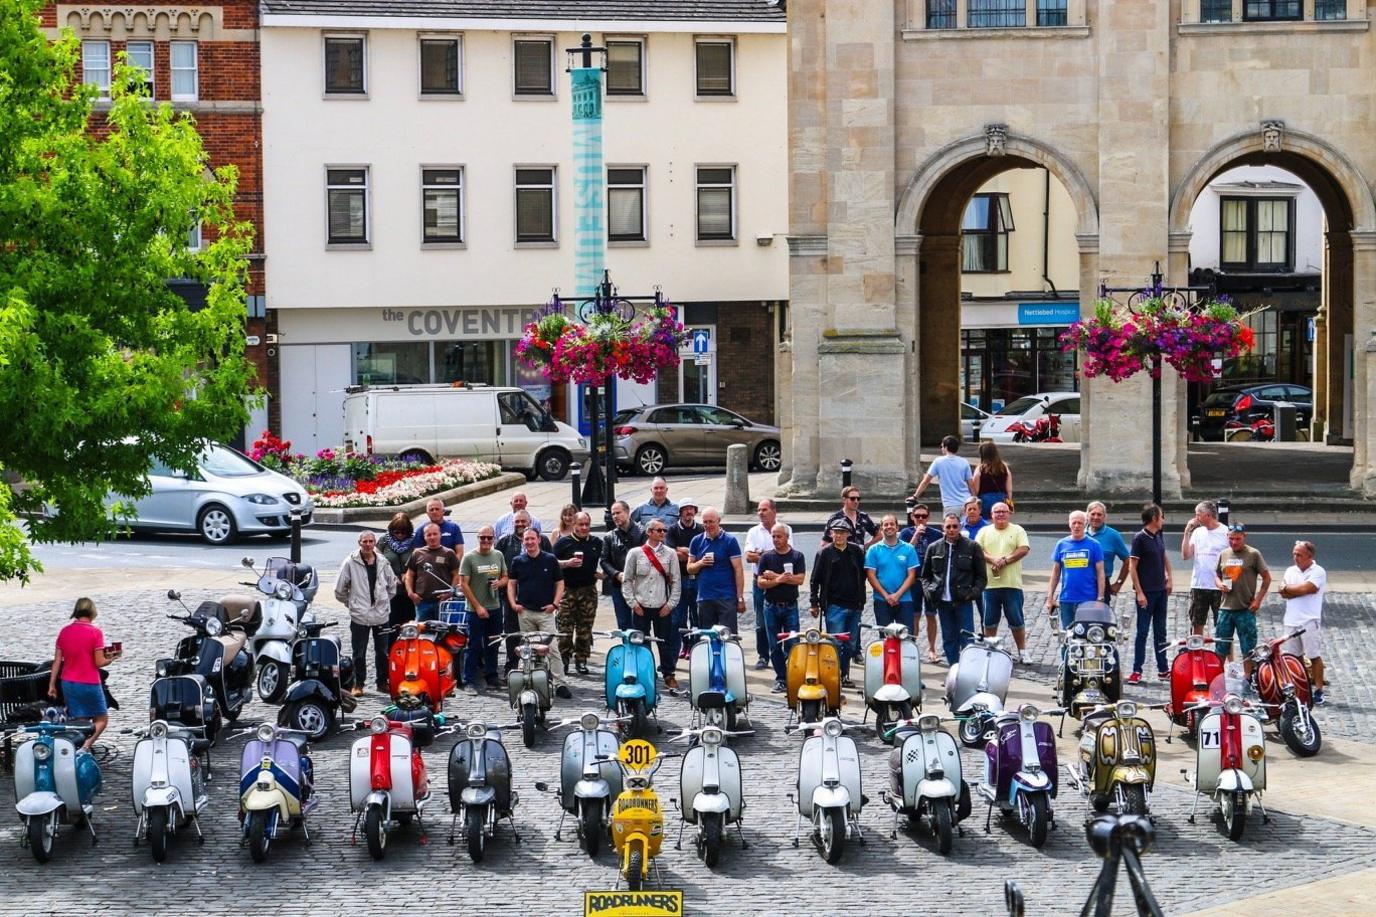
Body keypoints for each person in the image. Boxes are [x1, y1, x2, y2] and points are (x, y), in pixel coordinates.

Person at [47, 598, 120, 750]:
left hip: (67, 683)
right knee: (102, 719)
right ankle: (84, 747)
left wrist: (52, 685)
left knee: (81, 721)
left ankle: (76, 746)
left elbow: (57, 661)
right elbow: (99, 662)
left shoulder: (65, 631)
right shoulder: (95, 632)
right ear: (92, 612)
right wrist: (111, 658)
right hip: (89, 683)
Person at [507, 528, 572, 699]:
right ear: (523, 542)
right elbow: (512, 584)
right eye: (526, 539)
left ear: (539, 540)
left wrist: (555, 604)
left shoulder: (550, 560)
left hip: (545, 613)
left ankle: (560, 684)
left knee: (552, 649)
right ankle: (529, 681)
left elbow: (560, 583)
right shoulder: (517, 561)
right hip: (525, 613)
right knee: (527, 649)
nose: (529, 542)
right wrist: (513, 603)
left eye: (532, 539)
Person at [621, 518, 683, 689]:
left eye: (664, 530)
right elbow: (627, 580)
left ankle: (669, 673)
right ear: (649, 532)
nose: (663, 533)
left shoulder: (670, 554)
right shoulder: (635, 553)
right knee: (641, 641)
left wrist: (670, 605)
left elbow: (676, 582)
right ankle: (646, 672)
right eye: (659, 530)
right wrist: (633, 603)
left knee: (665, 642)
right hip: (641, 605)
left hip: (661, 605)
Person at [335, 530, 399, 696]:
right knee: (359, 653)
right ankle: (359, 684)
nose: (368, 545)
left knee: (383, 652)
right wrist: (352, 604)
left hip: (381, 615)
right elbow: (339, 590)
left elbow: (392, 586)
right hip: (360, 616)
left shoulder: (383, 561)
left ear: (375, 543)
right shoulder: (350, 562)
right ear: (359, 543)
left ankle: (382, 682)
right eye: (365, 542)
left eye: (371, 541)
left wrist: (384, 602)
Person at [919, 513, 987, 665]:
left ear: (960, 527)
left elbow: (982, 577)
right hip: (943, 602)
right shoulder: (934, 547)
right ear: (943, 528)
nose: (951, 529)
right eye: (948, 526)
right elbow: (925, 576)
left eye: (954, 526)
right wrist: (930, 591)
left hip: (963, 601)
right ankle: (954, 670)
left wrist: (972, 594)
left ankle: (967, 672)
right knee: (949, 638)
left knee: (967, 638)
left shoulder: (972, 547)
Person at [809, 519, 868, 686]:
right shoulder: (824, 553)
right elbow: (815, 580)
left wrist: (861, 600)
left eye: (842, 532)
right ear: (831, 534)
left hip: (854, 604)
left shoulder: (856, 551)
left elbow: (863, 575)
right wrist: (814, 602)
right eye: (836, 532)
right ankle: (834, 675)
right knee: (835, 644)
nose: (839, 535)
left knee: (850, 645)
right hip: (834, 605)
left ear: (848, 534)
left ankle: (844, 675)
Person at [497, 512, 551, 674]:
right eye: (517, 521)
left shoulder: (542, 540)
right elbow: (497, 566)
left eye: (523, 521)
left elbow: (552, 564)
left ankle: (539, 666)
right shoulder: (504, 542)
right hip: (512, 597)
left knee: (539, 635)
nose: (520, 524)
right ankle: (512, 665)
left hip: (538, 597)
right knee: (512, 632)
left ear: (530, 522)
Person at [975, 502, 1030, 661]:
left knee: (1016, 620)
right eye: (996, 512)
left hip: (1012, 584)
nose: (1000, 514)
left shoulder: (1018, 530)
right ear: (991, 515)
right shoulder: (984, 531)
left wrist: (1004, 561)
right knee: (989, 621)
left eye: (1003, 511)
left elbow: (1023, 549)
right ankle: (990, 651)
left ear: (1009, 513)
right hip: (989, 584)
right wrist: (994, 560)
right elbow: (978, 551)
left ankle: (1022, 652)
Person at [1213, 524, 1271, 675]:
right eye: (1231, 539)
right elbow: (1217, 575)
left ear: (1244, 536)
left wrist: (1258, 600)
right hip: (1225, 609)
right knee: (1221, 647)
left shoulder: (1253, 554)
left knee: (1248, 648)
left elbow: (1267, 578)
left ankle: (1248, 679)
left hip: (1245, 609)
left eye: (1238, 539)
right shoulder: (1224, 554)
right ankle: (1217, 679)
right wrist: (1219, 584)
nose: (1234, 542)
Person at [757, 523, 806, 693]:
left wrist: (776, 577)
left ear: (787, 537)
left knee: (793, 643)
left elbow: (799, 580)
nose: (776, 540)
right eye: (773, 536)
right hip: (770, 606)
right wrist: (779, 581)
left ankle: (794, 676)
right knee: (774, 645)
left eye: (779, 536)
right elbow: (761, 582)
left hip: (790, 606)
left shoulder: (797, 556)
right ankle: (781, 678)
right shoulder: (766, 557)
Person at [459, 524, 508, 694]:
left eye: (489, 538)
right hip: (475, 609)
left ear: (494, 539)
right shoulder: (469, 557)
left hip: (494, 607)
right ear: (478, 538)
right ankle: (469, 679)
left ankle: (492, 676)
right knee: (474, 645)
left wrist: (499, 583)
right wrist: (478, 606)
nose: (486, 541)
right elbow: (463, 584)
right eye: (482, 538)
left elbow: (505, 577)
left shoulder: (498, 555)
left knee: (493, 644)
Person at [1128, 503, 1173, 683]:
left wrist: (1169, 577)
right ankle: (1137, 669)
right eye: (1161, 516)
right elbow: (1133, 566)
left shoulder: (1157, 536)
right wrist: (1139, 592)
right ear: (1154, 518)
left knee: (1161, 631)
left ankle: (1163, 669)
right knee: (1143, 632)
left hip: (1160, 591)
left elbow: (1163, 557)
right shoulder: (1140, 538)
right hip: (1147, 592)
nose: (1163, 520)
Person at [745, 499, 793, 670]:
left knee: (784, 620)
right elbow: (749, 557)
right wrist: (769, 556)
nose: (760, 513)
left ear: (774, 511)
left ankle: (785, 656)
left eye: (764, 509)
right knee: (761, 622)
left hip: (781, 581)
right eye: (759, 510)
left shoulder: (785, 529)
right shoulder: (753, 531)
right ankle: (763, 655)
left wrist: (762, 555)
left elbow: (787, 555)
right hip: (760, 580)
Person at [554, 511, 603, 675]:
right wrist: (567, 563)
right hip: (567, 591)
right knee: (565, 629)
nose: (584, 528)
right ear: (573, 525)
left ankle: (581, 659)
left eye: (586, 525)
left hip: (588, 590)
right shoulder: (564, 542)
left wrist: (603, 574)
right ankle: (564, 660)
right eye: (580, 525)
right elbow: (552, 563)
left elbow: (605, 560)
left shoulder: (596, 542)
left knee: (585, 628)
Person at [1279, 540, 1327, 705]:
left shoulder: (1318, 571)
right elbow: (1283, 592)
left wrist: (1290, 589)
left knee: (1313, 655)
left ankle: (1319, 689)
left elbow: (1308, 589)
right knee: (1293, 658)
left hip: (1309, 620)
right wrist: (1293, 590)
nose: (1295, 557)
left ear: (1309, 556)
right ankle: (1301, 686)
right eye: (1294, 554)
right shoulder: (1290, 570)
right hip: (1291, 620)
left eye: (1299, 554)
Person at [1045, 510, 1105, 629]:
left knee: (1087, 636)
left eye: (1080, 523)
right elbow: (1056, 573)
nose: (1077, 526)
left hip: (1088, 599)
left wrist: (1100, 597)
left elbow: (1100, 573)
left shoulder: (1094, 545)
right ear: (1069, 524)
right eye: (1074, 523)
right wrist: (1050, 597)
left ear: (1085, 524)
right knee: (1068, 636)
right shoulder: (1061, 544)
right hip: (1067, 599)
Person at [688, 507, 745, 634]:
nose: (708, 525)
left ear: (718, 520)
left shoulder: (730, 541)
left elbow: (738, 570)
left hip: (726, 597)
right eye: (705, 522)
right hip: (705, 597)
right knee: (707, 637)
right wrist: (700, 563)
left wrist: (740, 598)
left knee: (728, 636)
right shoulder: (696, 541)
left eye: (711, 521)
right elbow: (690, 569)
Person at [900, 501, 944, 663]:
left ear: (928, 517)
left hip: (931, 580)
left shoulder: (936, 534)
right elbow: (904, 553)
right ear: (912, 517)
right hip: (914, 580)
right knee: (914, 615)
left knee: (931, 615)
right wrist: (916, 535)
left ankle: (932, 649)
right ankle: (913, 647)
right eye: (917, 516)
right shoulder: (905, 533)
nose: (920, 519)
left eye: (923, 516)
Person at [1181, 500, 1229, 636]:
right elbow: (1186, 555)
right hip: (1199, 585)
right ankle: (1198, 654)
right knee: (1197, 623)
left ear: (1208, 515)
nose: (1195, 518)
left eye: (1198, 515)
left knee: (1223, 627)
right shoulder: (1197, 533)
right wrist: (1187, 533)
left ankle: (1226, 657)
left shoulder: (1225, 532)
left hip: (1218, 586)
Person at [865, 515, 919, 632]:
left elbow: (911, 576)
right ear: (881, 528)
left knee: (906, 638)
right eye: (886, 524)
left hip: (904, 600)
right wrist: (886, 596)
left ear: (897, 527)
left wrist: (897, 595)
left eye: (892, 524)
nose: (889, 527)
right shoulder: (873, 550)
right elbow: (871, 576)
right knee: (885, 640)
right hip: (881, 600)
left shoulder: (909, 549)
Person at [665, 500, 705, 660]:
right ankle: (685, 644)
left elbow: (703, 553)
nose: (688, 512)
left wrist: (686, 552)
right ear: (680, 512)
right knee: (679, 617)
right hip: (679, 578)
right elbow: (672, 553)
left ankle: (694, 645)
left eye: (691, 509)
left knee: (696, 615)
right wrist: (692, 554)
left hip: (697, 578)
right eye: (685, 509)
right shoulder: (673, 530)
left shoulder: (701, 529)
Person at [405, 522, 462, 622]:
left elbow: (457, 574)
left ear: (440, 535)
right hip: (422, 602)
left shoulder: (449, 553)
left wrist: (450, 592)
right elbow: (409, 575)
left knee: (444, 632)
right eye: (429, 535)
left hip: (443, 602)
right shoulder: (417, 553)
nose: (432, 537)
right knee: (422, 633)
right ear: (424, 537)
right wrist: (411, 593)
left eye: (435, 534)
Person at [602, 501, 645, 632]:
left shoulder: (642, 533)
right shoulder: (609, 537)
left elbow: (647, 557)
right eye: (613, 513)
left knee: (641, 623)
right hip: (618, 585)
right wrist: (616, 574)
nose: (615, 516)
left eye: (618, 513)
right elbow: (604, 561)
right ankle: (627, 651)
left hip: (640, 585)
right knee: (623, 623)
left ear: (627, 512)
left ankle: (644, 651)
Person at [913, 435, 972, 518]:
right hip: (966, 502)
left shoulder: (938, 462)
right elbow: (970, 484)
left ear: (946, 447)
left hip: (950, 504)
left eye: (942, 446)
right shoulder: (964, 462)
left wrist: (915, 496)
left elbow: (926, 481)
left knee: (951, 529)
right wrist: (974, 499)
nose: (941, 448)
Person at [378, 511, 416, 643]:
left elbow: (420, 561)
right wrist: (390, 575)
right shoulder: (383, 541)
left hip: (409, 591)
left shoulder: (415, 541)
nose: (400, 535)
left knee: (409, 624)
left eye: (403, 533)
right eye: (396, 532)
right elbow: (377, 563)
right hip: (390, 592)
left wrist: (409, 573)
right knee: (392, 625)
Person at [1087, 501, 1132, 603]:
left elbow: (1127, 560)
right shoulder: (1081, 534)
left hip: (1103, 584)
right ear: (1087, 515)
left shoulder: (1113, 535)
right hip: (1082, 583)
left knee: (1101, 616)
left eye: (1099, 514)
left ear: (1104, 517)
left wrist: (1119, 583)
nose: (1096, 517)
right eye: (1093, 514)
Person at [969, 441, 1014, 520]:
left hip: (985, 501)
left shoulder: (980, 469)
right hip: (1001, 499)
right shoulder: (1004, 467)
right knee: (1000, 523)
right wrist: (1009, 505)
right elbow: (1009, 489)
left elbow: (975, 491)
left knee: (986, 525)